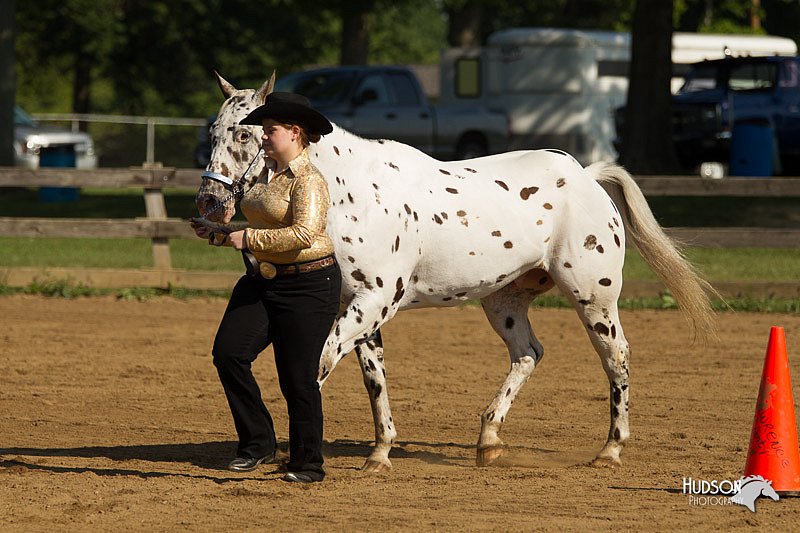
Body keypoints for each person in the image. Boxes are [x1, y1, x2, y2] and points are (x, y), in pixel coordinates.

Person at [191, 92, 340, 483]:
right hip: (263, 279)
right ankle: (258, 443)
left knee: (297, 379)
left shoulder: (309, 181)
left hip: (309, 286)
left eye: (270, 131)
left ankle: (308, 464)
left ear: (294, 133)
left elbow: (305, 233)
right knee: (228, 353)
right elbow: (261, 227)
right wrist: (221, 234)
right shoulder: (261, 175)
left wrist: (247, 239)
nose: (263, 138)